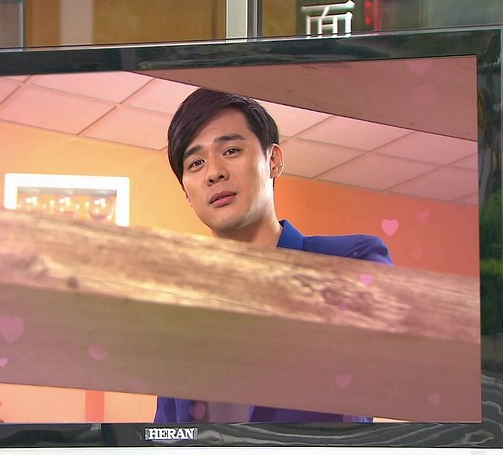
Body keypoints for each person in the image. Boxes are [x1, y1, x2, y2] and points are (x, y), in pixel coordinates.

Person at [154, 88, 392, 424]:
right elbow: (166, 438)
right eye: (196, 163)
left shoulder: (351, 260)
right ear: (187, 194)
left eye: (231, 150)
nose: (214, 173)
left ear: (273, 161)